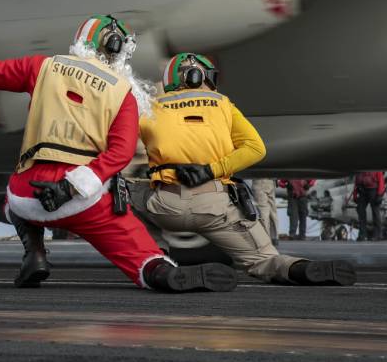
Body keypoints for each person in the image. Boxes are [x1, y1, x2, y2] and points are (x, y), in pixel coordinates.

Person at [0, 15, 237, 293]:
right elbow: (121, 153)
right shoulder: (123, 93)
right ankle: (162, 274)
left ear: (83, 40)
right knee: (142, 256)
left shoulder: (43, 67)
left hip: (29, 193)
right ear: (118, 50)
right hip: (86, 197)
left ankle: (35, 255)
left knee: (10, 202)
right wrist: (72, 186)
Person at [139, 52, 355, 286]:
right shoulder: (222, 104)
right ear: (198, 75)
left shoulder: (152, 108)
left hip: (164, 204)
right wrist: (212, 170)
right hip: (216, 207)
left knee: (120, 196)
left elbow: (120, 145)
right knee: (264, 259)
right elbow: (256, 148)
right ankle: (299, 269)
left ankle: (157, 261)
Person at [353, 171, 385, 241]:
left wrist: (379, 194)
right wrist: (355, 195)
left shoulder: (376, 168)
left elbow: (381, 180)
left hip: (373, 190)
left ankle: (378, 235)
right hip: (362, 190)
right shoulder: (360, 168)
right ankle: (362, 235)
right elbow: (356, 181)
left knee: (375, 212)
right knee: (361, 211)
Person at [252, 179, 279, 246]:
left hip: (260, 180)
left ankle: (265, 238)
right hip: (271, 181)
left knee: (263, 211)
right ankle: (274, 237)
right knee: (272, 211)